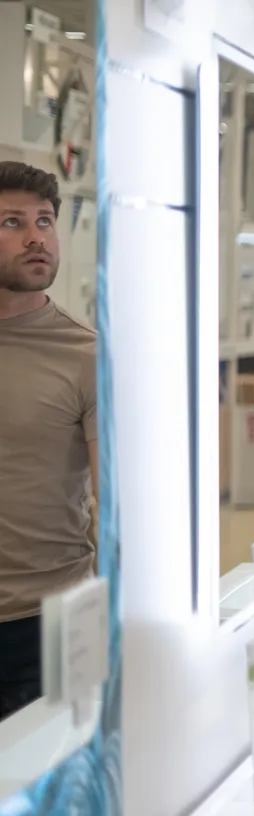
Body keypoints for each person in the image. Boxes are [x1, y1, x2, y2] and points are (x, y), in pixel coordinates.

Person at [0, 162, 97, 721]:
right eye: (11, 222)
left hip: (47, 627)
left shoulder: (85, 355)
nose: (36, 237)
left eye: (44, 220)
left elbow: (117, 510)